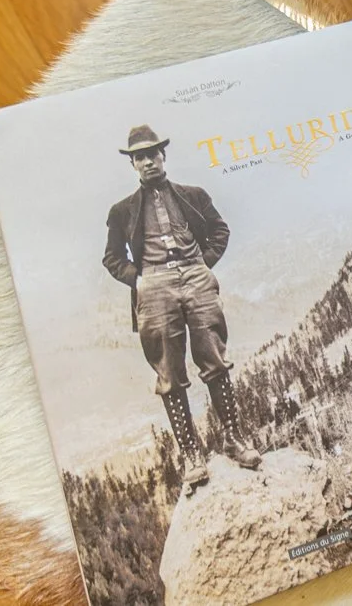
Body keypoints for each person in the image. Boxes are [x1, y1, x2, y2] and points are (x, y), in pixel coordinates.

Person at [102, 125, 263, 492]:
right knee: (169, 373)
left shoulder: (193, 195)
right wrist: (138, 279)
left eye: (152, 154)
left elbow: (220, 230)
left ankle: (234, 440)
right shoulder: (122, 211)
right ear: (133, 164)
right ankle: (192, 455)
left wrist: (203, 265)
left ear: (163, 156)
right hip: (154, 285)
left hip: (196, 278)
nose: (147, 162)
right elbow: (112, 258)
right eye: (139, 157)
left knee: (215, 360)